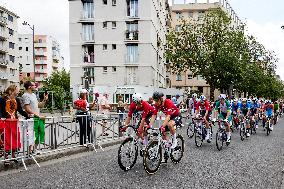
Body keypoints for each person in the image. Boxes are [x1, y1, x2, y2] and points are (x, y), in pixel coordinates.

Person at [0, 85, 29, 165]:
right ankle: (6, 158)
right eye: (17, 90)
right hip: (6, 122)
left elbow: (20, 110)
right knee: (7, 140)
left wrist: (27, 115)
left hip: (14, 122)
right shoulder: (2, 99)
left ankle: (13, 156)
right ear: (11, 91)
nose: (18, 92)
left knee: (15, 139)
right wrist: (1, 117)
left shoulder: (17, 100)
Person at [22, 81, 48, 153]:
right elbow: (27, 109)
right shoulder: (25, 95)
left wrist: (44, 100)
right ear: (29, 87)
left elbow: (39, 105)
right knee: (33, 134)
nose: (36, 86)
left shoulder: (33, 95)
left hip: (38, 117)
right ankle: (30, 151)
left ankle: (35, 149)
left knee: (41, 132)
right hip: (32, 118)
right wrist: (38, 116)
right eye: (34, 85)